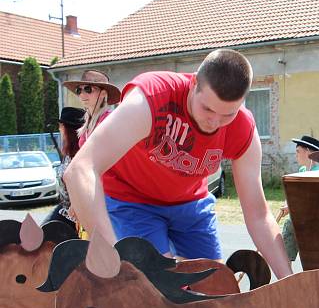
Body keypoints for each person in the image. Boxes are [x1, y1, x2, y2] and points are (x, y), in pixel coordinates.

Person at [64, 49, 292, 279]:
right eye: (208, 109)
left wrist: (290, 281)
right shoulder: (152, 98)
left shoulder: (243, 128)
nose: (215, 122)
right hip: (132, 200)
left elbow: (258, 216)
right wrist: (111, 255)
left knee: (213, 286)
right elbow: (80, 170)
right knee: (156, 288)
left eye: (228, 114)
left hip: (190, 204)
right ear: (193, 83)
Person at [44, 107, 86, 229]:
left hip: (76, 215)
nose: (59, 129)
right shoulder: (68, 154)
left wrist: (76, 205)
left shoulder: (83, 155)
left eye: (61, 126)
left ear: (68, 129)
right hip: (65, 210)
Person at [62, 69, 121, 146]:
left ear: (103, 93)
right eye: (79, 90)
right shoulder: (87, 123)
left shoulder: (109, 120)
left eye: (88, 89)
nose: (82, 94)